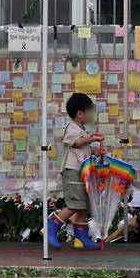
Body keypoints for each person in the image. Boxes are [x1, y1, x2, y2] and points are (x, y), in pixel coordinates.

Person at [46, 93, 104, 251]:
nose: (92, 116)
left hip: (82, 173)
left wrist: (95, 152)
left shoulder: (82, 130)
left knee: (83, 205)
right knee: (74, 204)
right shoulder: (72, 128)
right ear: (80, 114)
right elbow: (77, 143)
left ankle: (81, 233)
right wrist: (91, 138)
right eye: (90, 112)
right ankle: (53, 225)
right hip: (72, 172)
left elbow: (83, 149)